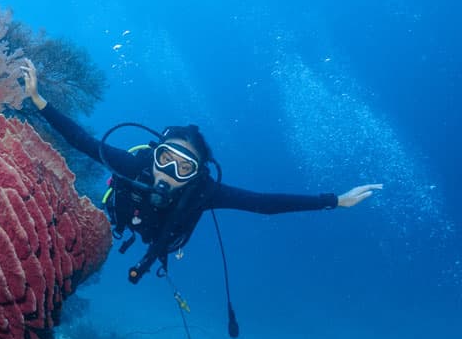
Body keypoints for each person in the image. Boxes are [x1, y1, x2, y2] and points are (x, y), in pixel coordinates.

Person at [19, 58, 382, 291]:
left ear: (195, 175)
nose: (169, 173)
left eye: (184, 168)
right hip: (124, 220)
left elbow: (263, 204)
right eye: (165, 159)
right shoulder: (138, 166)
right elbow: (82, 140)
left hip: (165, 237)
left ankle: (171, 249)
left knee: (173, 240)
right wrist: (38, 99)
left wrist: (334, 201)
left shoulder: (203, 191)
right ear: (155, 154)